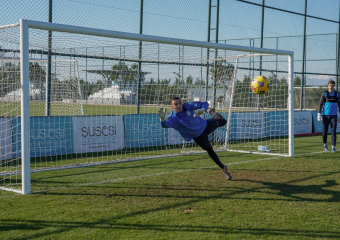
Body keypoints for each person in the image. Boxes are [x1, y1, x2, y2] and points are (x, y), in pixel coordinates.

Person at [157, 96, 231, 180]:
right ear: (172, 107)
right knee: (209, 150)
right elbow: (165, 125)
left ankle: (210, 111)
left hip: (206, 125)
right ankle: (223, 168)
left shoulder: (187, 106)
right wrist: (162, 119)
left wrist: (203, 109)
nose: (179, 105)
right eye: (176, 104)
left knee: (223, 121)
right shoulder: (174, 118)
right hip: (199, 136)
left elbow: (205, 103)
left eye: (180, 103)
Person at [317, 80, 340, 153]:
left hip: (334, 116)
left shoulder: (337, 94)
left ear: (334, 86)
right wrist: (318, 114)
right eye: (330, 85)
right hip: (325, 116)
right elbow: (320, 104)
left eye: (332, 85)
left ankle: (333, 147)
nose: (331, 86)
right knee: (324, 132)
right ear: (328, 86)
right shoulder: (325, 94)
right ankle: (325, 144)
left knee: (333, 132)